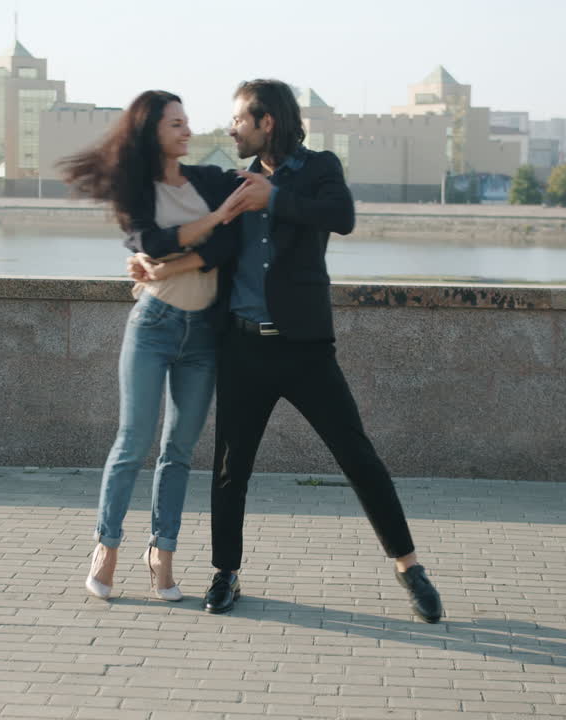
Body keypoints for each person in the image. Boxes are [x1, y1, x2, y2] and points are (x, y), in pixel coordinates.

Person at [130, 79, 444, 623]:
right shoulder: (226, 179)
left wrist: (271, 198)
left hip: (306, 350)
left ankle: (409, 568)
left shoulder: (320, 169)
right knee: (231, 468)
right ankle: (225, 572)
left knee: (359, 459)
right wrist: (151, 259)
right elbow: (178, 212)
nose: (230, 129)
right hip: (243, 349)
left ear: (266, 122)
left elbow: (342, 217)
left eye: (238, 121)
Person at [60, 90, 240, 602]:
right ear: (151, 131)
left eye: (187, 122)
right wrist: (214, 220)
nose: (187, 131)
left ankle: (161, 554)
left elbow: (229, 245)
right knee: (132, 443)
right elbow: (150, 242)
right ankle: (107, 548)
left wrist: (175, 261)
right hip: (155, 324)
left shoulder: (207, 179)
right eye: (175, 124)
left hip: (203, 332)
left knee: (178, 449)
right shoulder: (137, 191)